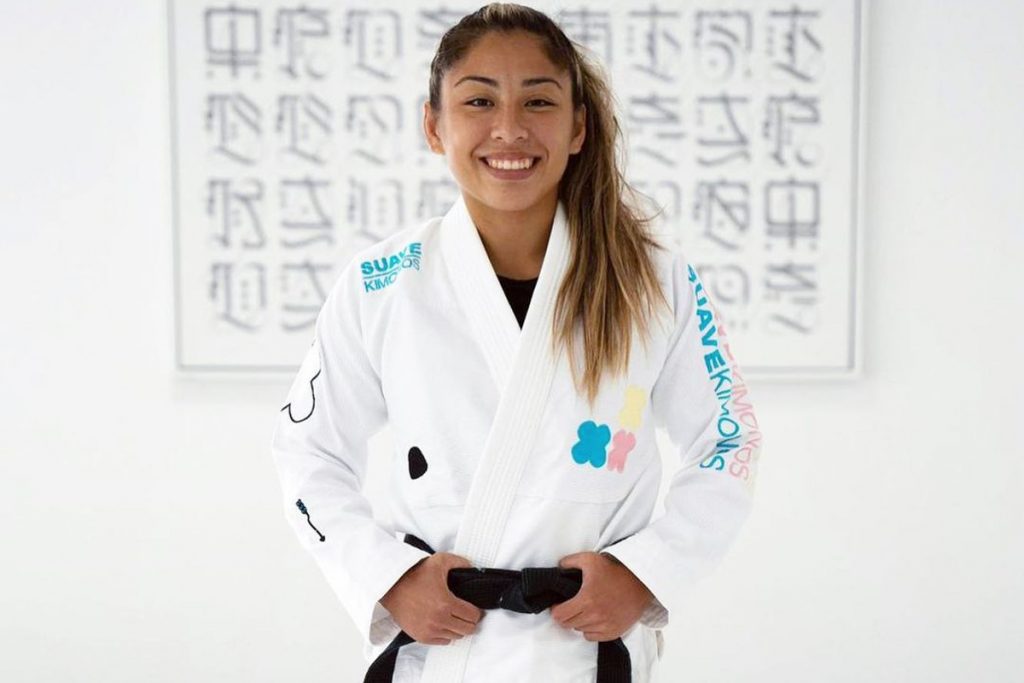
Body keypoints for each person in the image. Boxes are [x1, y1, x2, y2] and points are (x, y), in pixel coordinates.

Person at [271, 3, 763, 682]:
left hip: (584, 652)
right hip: (442, 654)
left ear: (578, 126)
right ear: (434, 126)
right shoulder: (382, 283)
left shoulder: (655, 281)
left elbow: (730, 440)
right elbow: (307, 449)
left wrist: (644, 573)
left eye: (538, 101)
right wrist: (390, 577)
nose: (509, 129)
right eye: (479, 101)